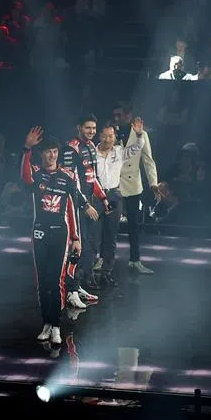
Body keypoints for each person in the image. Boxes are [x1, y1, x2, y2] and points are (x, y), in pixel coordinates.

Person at [21, 127, 99, 345]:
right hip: (39, 234)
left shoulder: (68, 177)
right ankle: (46, 323)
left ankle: (56, 325)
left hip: (61, 235)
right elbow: (24, 176)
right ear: (42, 154)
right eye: (47, 152)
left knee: (56, 280)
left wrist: (76, 238)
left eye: (55, 151)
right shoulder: (36, 174)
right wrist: (27, 149)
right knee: (43, 281)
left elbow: (73, 210)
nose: (52, 155)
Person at [60, 115, 110, 301]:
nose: (91, 131)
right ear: (78, 128)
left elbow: (91, 177)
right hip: (74, 205)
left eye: (94, 128)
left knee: (88, 245)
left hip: (88, 203)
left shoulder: (90, 147)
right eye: (88, 127)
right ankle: (70, 290)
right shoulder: (70, 149)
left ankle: (77, 285)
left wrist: (103, 199)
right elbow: (70, 182)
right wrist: (85, 204)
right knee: (75, 246)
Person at [112, 102, 161, 274]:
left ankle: (135, 260)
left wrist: (153, 183)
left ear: (128, 115)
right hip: (113, 184)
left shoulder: (142, 135)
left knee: (134, 224)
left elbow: (148, 161)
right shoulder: (111, 133)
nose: (116, 118)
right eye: (115, 115)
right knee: (109, 225)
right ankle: (103, 259)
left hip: (133, 184)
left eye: (120, 115)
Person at [93, 118, 145, 273]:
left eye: (111, 136)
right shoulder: (91, 153)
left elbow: (137, 147)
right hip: (96, 196)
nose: (108, 139)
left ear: (115, 137)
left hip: (115, 195)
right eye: (104, 136)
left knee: (111, 235)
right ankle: (91, 265)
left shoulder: (119, 152)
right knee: (94, 235)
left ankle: (107, 270)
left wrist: (140, 134)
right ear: (99, 136)